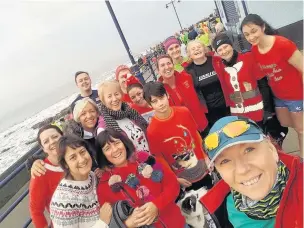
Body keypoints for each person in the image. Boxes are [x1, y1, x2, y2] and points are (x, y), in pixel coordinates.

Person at [200, 116, 303, 228]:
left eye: (249, 150)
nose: (242, 169)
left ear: (271, 148)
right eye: (225, 161)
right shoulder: (225, 209)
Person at [96, 129, 186, 228]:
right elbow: (112, 223)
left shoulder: (144, 158)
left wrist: (156, 205)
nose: (115, 149)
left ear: (124, 143)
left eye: (117, 143)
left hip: (177, 223)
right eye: (107, 148)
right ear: (102, 155)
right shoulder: (104, 186)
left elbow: (173, 184)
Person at [211, 33, 289, 147]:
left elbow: (263, 85)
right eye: (220, 49)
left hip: (257, 111)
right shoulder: (220, 68)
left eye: (226, 46)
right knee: (252, 146)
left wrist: (267, 110)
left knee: (268, 144)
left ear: (231, 45)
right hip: (239, 116)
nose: (224, 51)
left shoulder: (248, 57)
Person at [241, 14, 303, 153]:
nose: (251, 37)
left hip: (296, 94)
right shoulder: (255, 50)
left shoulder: (282, 44)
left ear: (262, 27)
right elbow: (258, 73)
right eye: (246, 35)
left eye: (253, 31)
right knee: (285, 123)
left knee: (301, 130)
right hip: (279, 97)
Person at [144, 82, 213, 192]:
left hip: (203, 166)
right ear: (149, 105)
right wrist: (175, 179)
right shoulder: (152, 131)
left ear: (167, 95)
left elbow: (195, 135)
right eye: (154, 101)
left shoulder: (184, 112)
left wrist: (205, 156)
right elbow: (160, 158)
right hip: (184, 178)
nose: (160, 103)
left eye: (161, 98)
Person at [50, 136, 112, 228]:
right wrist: (102, 223)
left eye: (82, 152)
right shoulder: (62, 201)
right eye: (73, 157)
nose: (82, 159)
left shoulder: (91, 176)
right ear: (65, 164)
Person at [185, 40, 229, 130]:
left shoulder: (216, 60)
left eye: (199, 47)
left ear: (204, 49)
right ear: (189, 54)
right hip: (209, 112)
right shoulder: (188, 71)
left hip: (227, 105)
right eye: (193, 49)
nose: (197, 50)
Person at [97, 80, 150, 153]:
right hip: (136, 163)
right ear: (103, 100)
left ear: (121, 94)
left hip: (152, 158)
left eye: (116, 94)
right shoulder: (103, 127)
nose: (114, 99)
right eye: (109, 96)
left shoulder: (131, 112)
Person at [29, 125, 64, 228]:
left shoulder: (74, 156)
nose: (52, 142)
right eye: (46, 141)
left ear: (63, 136)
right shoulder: (40, 173)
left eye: (55, 137)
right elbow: (36, 211)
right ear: (43, 149)